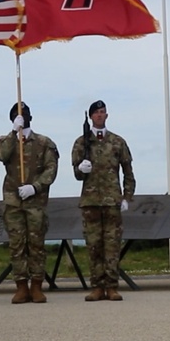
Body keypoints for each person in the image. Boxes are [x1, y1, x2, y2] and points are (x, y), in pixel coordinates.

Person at [0, 102, 59, 304]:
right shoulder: (3, 141)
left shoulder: (44, 142)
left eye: (24, 114)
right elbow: (2, 155)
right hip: (13, 202)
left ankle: (37, 285)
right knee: (17, 245)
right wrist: (13, 133)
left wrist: (36, 186)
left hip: (35, 202)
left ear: (31, 116)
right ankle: (21, 286)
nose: (21, 117)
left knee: (36, 244)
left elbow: (51, 169)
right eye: (16, 115)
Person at [70, 100, 136, 301]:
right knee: (94, 246)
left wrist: (127, 197)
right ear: (91, 117)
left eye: (102, 112)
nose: (99, 115)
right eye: (96, 113)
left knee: (112, 246)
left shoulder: (117, 142)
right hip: (90, 202)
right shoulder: (82, 142)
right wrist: (80, 169)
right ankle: (97, 286)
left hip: (112, 202)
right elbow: (76, 173)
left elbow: (128, 171)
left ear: (107, 115)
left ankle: (112, 286)